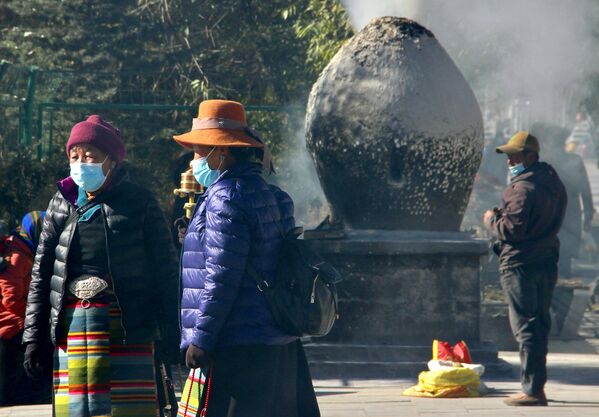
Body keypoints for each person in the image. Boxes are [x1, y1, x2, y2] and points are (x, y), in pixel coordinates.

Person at [22, 115, 180, 417]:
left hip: (126, 329)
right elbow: (41, 275)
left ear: (112, 160)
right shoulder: (61, 203)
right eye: (74, 155)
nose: (80, 162)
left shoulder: (140, 202)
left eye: (89, 155)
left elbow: (166, 271)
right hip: (72, 328)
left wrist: (172, 332)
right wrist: (33, 338)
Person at [173, 100, 320, 417]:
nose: (193, 163)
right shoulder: (271, 193)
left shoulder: (225, 196)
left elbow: (222, 275)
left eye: (199, 152)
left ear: (220, 152)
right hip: (275, 335)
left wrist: (201, 338)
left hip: (238, 340)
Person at [483, 131, 567, 406]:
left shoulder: (523, 188)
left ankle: (531, 390)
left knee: (526, 326)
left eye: (514, 156)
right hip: (546, 261)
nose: (509, 162)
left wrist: (491, 219)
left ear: (530, 156)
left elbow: (512, 229)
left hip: (521, 265)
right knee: (540, 323)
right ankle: (536, 386)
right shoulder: (553, 184)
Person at [531, 122, 595, 277]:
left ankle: (554, 293)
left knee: (551, 259)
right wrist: (587, 216)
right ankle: (561, 292)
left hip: (550, 217)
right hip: (567, 216)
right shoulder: (573, 160)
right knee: (562, 259)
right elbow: (586, 193)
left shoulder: (540, 161)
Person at [0, 211, 46, 405]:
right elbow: (11, 300)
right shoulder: (18, 255)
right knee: (41, 347)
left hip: (11, 322)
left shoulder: (22, 251)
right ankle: (33, 394)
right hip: (9, 323)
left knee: (9, 371)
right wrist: (33, 319)